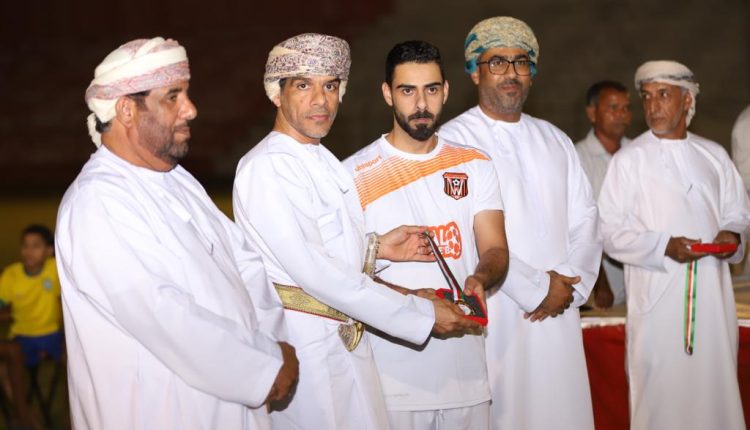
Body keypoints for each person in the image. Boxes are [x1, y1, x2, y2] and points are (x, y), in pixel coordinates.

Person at [233, 33, 480, 430]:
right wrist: (419, 314)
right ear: (276, 93)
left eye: (331, 86)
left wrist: (374, 248)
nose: (321, 100)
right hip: (308, 349)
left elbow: (322, 246)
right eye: (304, 86)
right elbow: (316, 272)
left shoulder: (319, 159)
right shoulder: (267, 166)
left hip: (343, 342)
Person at [56, 37, 298, 430]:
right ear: (126, 109)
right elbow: (163, 316)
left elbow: (245, 265)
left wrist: (273, 344)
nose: (191, 109)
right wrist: (263, 366)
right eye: (173, 96)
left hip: (235, 400)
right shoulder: (96, 202)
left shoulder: (177, 179)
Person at [439, 16, 600, 430]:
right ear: (475, 72)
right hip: (498, 312)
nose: (511, 73)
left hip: (561, 309)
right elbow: (461, 236)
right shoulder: (452, 143)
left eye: (521, 62)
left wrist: (570, 283)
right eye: (497, 62)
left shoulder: (556, 139)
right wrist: (536, 288)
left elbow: (586, 218)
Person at [342, 40, 509, 429]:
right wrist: (414, 305)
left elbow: (496, 248)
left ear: (446, 90)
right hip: (392, 383)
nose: (421, 104)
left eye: (431, 89)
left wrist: (481, 278)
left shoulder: (475, 164)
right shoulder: (351, 175)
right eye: (407, 91)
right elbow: (344, 275)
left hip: (467, 377)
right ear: (388, 94)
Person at [599, 60, 749, 430]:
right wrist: (664, 246)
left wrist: (732, 236)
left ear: (687, 101)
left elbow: (738, 213)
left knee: (714, 394)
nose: (653, 106)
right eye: (647, 97)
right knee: (661, 402)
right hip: (657, 305)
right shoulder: (628, 161)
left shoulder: (714, 155)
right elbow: (608, 231)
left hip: (713, 304)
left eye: (663, 95)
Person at [575, 81, 632, 309]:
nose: (621, 115)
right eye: (613, 107)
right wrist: (600, 282)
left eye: (626, 108)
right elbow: (581, 223)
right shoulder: (577, 157)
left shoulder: (639, 153)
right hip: (602, 279)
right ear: (592, 113)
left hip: (641, 272)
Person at [0, 225, 62, 367]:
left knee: (74, 353)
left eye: (36, 246)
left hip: (52, 334)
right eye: (25, 246)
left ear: (49, 251)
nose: (29, 252)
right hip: (21, 336)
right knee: (8, 362)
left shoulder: (55, 268)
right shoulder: (11, 274)